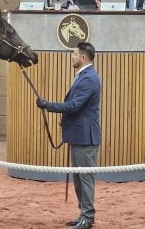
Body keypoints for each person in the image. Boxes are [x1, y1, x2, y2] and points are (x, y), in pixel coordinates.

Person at [36, 42, 101, 229]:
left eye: (74, 54)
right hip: (79, 135)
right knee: (79, 178)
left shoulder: (89, 78)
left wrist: (47, 105)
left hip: (85, 137)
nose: (72, 57)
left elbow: (74, 106)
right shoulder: (84, 76)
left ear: (83, 57)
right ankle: (84, 214)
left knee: (85, 178)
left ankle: (87, 217)